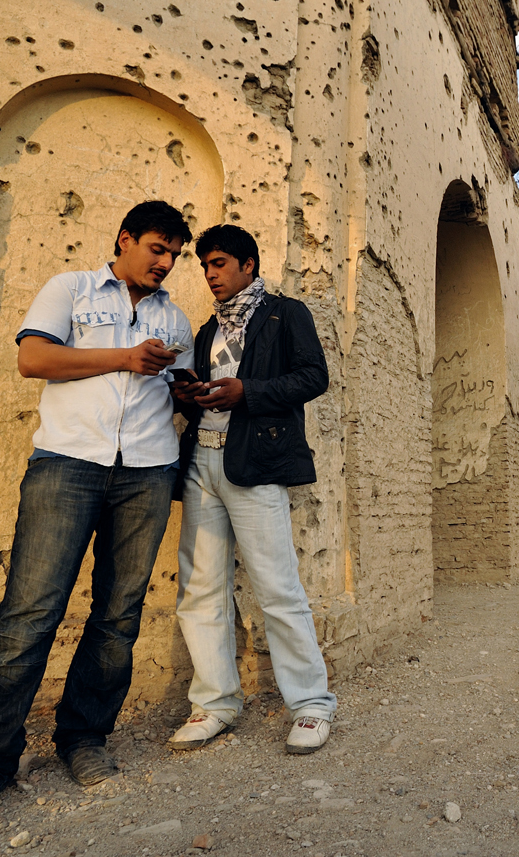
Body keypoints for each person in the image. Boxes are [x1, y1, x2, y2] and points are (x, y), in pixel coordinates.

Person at [0, 201, 195, 835]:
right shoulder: (70, 289)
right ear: (125, 240)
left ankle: (83, 738)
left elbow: (173, 387)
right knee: (29, 613)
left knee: (118, 613)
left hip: (148, 471)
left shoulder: (175, 317)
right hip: (68, 464)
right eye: (158, 249)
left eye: (175, 255)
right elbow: (35, 361)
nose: (166, 264)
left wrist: (184, 387)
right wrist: (125, 358)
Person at [165, 224, 336, 755]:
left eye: (218, 264)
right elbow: (204, 394)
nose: (210, 275)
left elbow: (314, 377)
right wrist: (191, 394)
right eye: (205, 267)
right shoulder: (205, 331)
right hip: (202, 465)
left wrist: (249, 391)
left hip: (255, 466)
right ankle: (215, 704)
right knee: (200, 589)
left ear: (248, 266)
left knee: (278, 588)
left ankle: (310, 705)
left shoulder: (286, 314)